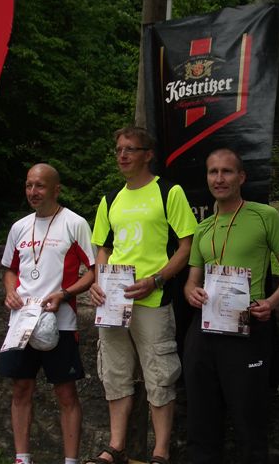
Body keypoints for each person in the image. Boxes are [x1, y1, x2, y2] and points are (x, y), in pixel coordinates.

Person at [87, 126, 197, 464]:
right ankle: (116, 447)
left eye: (130, 149)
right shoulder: (110, 199)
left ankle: (160, 452)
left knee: (159, 374)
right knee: (114, 373)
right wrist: (99, 281)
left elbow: (187, 246)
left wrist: (157, 280)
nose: (122, 155)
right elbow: (103, 248)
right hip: (113, 303)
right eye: (119, 149)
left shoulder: (169, 192)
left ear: (148, 155)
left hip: (152, 299)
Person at [184, 148, 279, 464]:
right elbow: (191, 282)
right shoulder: (203, 227)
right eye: (213, 172)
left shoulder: (265, 216)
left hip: (247, 324)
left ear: (241, 177)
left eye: (227, 171)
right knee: (201, 417)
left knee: (249, 419)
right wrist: (191, 293)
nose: (219, 178)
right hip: (205, 327)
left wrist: (271, 302)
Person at [0, 163, 96, 464]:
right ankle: (22, 458)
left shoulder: (75, 223)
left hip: (60, 323)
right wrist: (10, 291)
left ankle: (71, 461)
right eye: (29, 185)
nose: (33, 192)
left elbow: (94, 271)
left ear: (56, 189)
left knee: (66, 393)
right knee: (21, 388)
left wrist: (65, 294)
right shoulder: (19, 227)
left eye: (40, 186)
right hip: (21, 323)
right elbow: (10, 269)